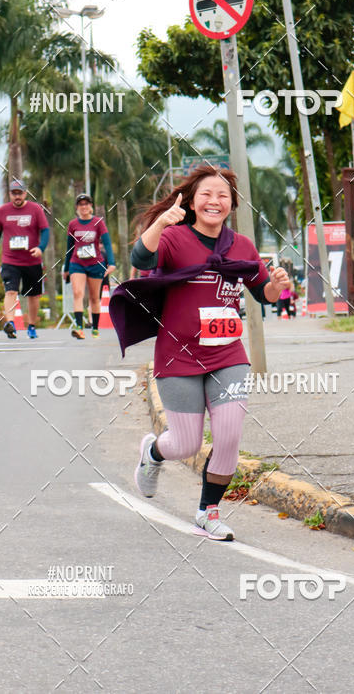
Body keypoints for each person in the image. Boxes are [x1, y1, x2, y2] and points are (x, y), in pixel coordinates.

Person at [110, 167, 290, 541]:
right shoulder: (174, 238)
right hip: (179, 356)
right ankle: (154, 452)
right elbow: (142, 259)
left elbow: (263, 294)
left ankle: (207, 513)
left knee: (228, 437)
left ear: (231, 205)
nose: (214, 201)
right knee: (186, 443)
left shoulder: (241, 246)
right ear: (191, 202)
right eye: (206, 194)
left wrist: (275, 286)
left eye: (222, 195)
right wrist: (161, 222)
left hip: (228, 355)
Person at [0, 179, 49, 339]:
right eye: (14, 193)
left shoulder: (35, 209)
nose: (17, 196)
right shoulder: (3, 211)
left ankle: (31, 326)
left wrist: (40, 248)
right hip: (10, 261)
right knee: (10, 291)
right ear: (10, 194)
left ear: (25, 193)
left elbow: (45, 231)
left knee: (33, 295)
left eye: (20, 193)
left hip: (32, 261)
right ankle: (10, 323)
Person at [63, 194, 116, 340]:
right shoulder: (73, 224)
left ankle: (95, 329)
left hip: (95, 264)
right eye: (81, 204)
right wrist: (66, 268)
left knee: (94, 298)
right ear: (77, 208)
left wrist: (111, 263)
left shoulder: (98, 222)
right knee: (77, 293)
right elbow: (69, 247)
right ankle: (79, 328)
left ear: (91, 206)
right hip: (77, 263)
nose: (84, 207)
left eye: (86, 204)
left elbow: (107, 243)